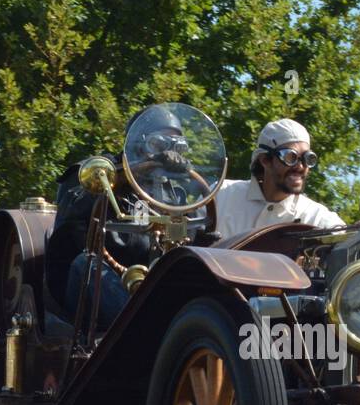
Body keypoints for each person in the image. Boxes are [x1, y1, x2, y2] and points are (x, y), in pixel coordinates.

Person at [50, 105, 190, 331]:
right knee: (85, 263)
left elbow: (193, 238)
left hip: (149, 288)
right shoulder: (98, 173)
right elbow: (71, 214)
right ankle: (144, 333)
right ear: (137, 142)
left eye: (177, 147)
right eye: (159, 144)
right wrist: (125, 176)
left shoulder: (173, 194)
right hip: (94, 288)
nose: (168, 154)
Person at [211, 118, 344, 241]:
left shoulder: (315, 217)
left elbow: (346, 239)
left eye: (307, 158)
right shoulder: (220, 195)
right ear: (265, 160)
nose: (300, 166)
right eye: (290, 157)